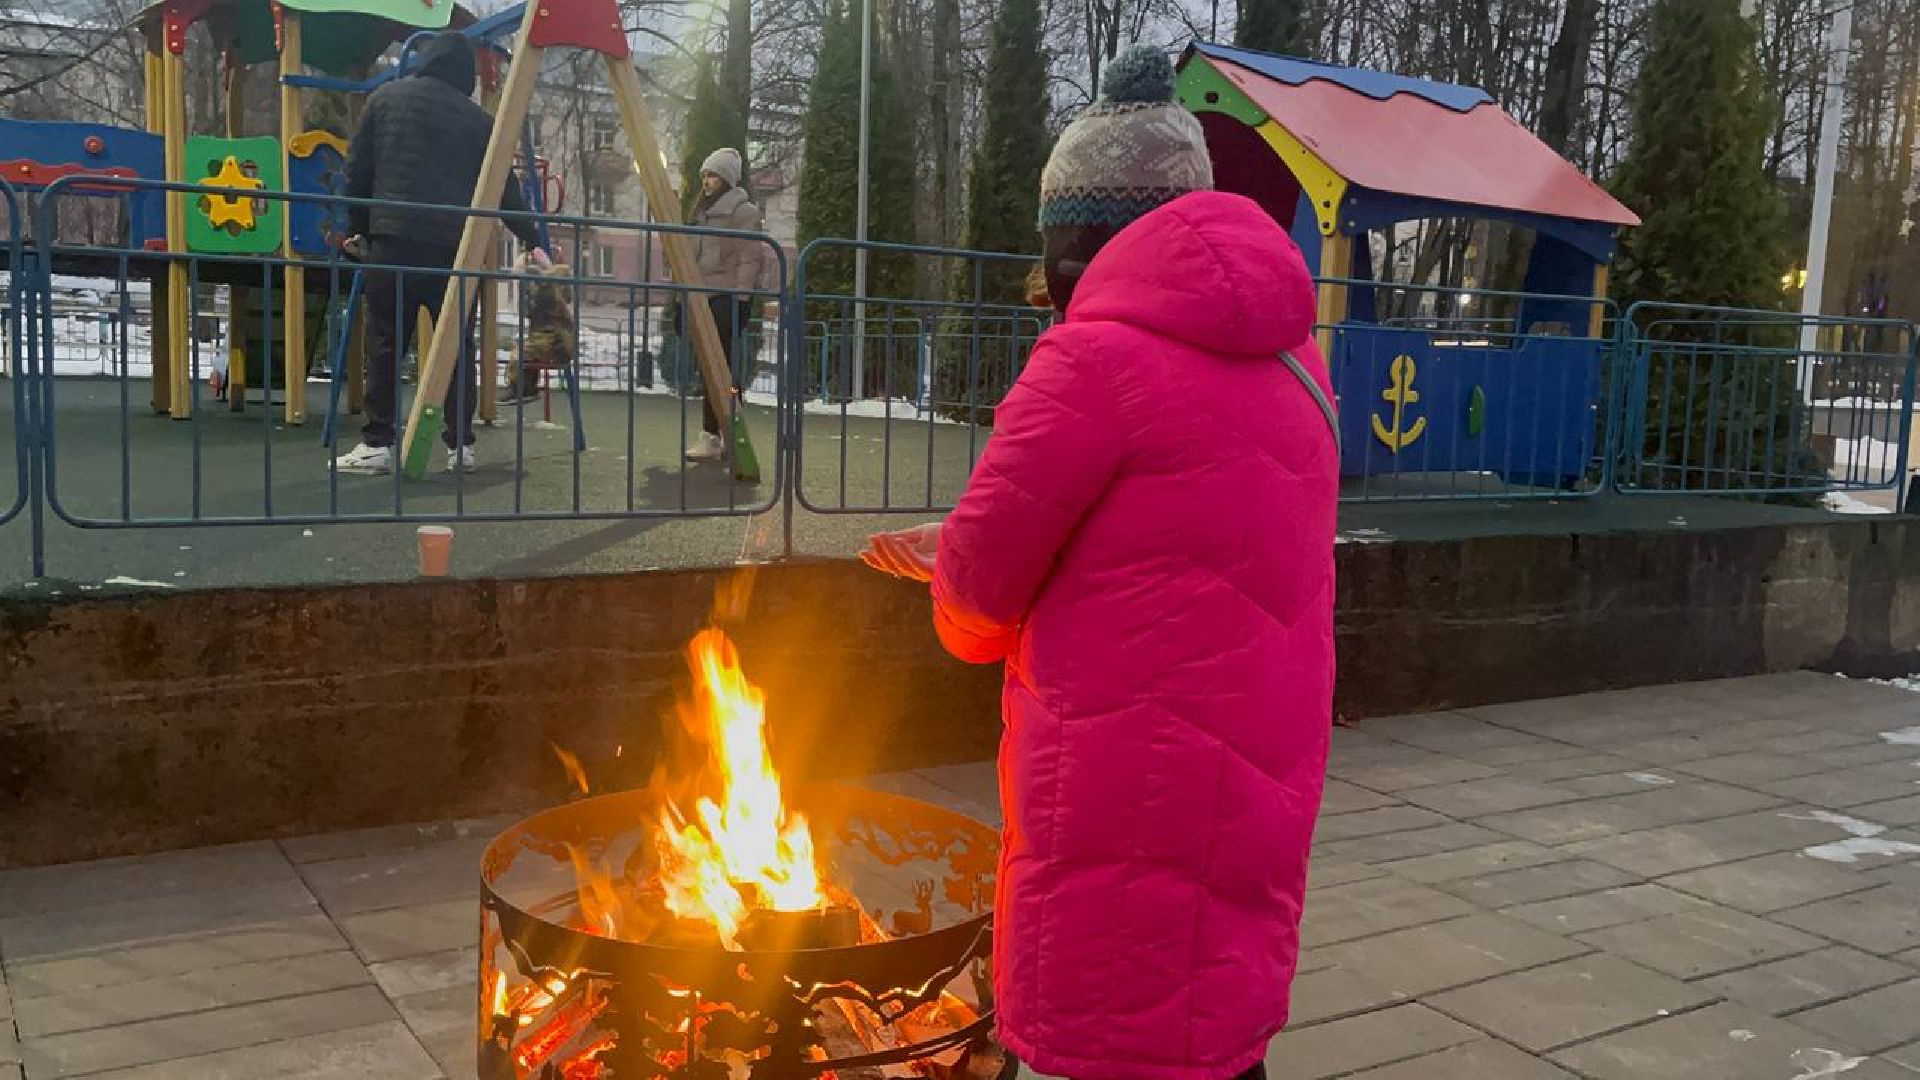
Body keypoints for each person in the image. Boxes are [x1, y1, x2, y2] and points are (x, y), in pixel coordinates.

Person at [861, 45, 1337, 1080]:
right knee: (1210, 1025)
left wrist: (955, 561)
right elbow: (1191, 533)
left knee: (1119, 1028)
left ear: (1077, 239)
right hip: (1257, 776)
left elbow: (975, 605)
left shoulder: (1088, 361)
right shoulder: (1298, 360)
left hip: (1126, 787)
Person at [333, 32, 545, 475]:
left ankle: (378, 443)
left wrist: (358, 230)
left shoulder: (386, 99)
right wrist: (534, 238)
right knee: (456, 346)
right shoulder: (480, 122)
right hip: (454, 249)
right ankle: (460, 445)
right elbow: (505, 190)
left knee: (386, 342)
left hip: (393, 240)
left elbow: (358, 172)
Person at [683, 147, 767, 463]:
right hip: (702, 295)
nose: (706, 181)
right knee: (716, 368)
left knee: (717, 367)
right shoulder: (700, 212)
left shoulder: (743, 212)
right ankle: (730, 430)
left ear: (727, 180)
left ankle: (715, 434)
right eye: (705, 175)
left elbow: (750, 258)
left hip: (726, 296)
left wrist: (741, 300)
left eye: (714, 176)